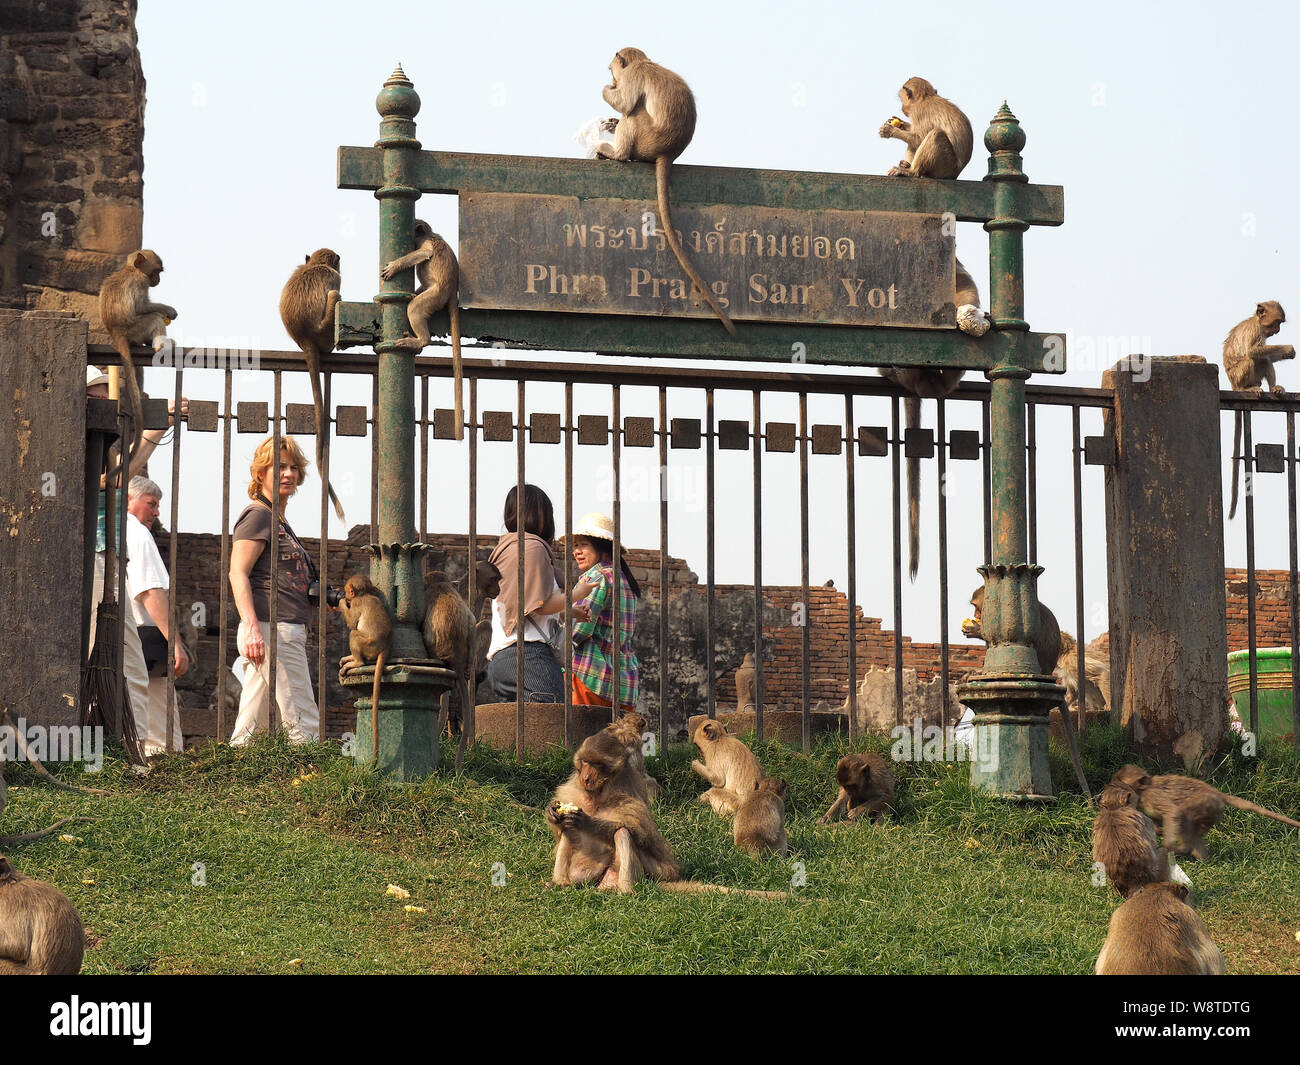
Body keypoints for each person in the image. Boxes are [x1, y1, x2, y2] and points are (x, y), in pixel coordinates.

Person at [86, 365, 186, 746]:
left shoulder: (102, 453)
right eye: (95, 396)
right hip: (90, 559)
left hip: (104, 558)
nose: (103, 402)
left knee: (125, 666)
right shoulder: (71, 445)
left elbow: (125, 467)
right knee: (112, 663)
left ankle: (128, 753)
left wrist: (159, 426)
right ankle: (121, 753)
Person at [228, 435, 323, 745]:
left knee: (251, 722)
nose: (289, 474)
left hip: (275, 628)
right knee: (302, 716)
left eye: (294, 467)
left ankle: (233, 774)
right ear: (260, 473)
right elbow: (238, 573)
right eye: (279, 467)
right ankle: (309, 781)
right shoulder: (258, 515)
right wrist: (254, 629)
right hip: (272, 629)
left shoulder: (276, 519)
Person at [124, 475, 190, 755]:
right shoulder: (138, 534)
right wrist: (175, 643)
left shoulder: (105, 531)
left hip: (119, 638)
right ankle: (163, 776)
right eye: (151, 503)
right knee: (160, 730)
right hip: (145, 639)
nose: (156, 512)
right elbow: (151, 592)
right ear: (129, 500)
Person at [485, 484, 569, 703]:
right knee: (552, 726)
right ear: (543, 516)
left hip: (500, 659)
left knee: (517, 733)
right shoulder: (532, 549)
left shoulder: (504, 549)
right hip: (528, 655)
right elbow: (537, 604)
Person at [567, 512, 641, 711]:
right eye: (575, 545)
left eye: (584, 545)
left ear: (603, 548)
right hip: (624, 685)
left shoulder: (595, 577)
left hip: (591, 680)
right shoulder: (625, 580)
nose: (576, 551)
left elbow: (578, 630)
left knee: (579, 741)